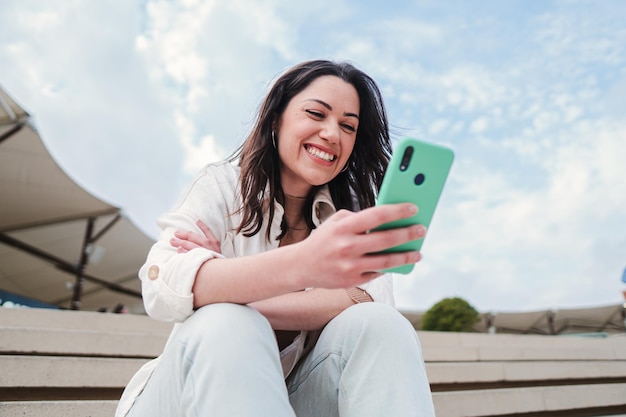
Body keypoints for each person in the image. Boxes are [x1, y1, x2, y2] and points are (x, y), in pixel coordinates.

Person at [116, 59, 435, 417]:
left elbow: (368, 298)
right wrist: (303, 266)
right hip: (182, 397)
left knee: (382, 326)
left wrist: (226, 288)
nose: (333, 134)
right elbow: (163, 284)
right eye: (316, 113)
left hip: (288, 400)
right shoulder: (222, 186)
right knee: (226, 322)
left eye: (348, 126)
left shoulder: (349, 218)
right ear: (275, 120)